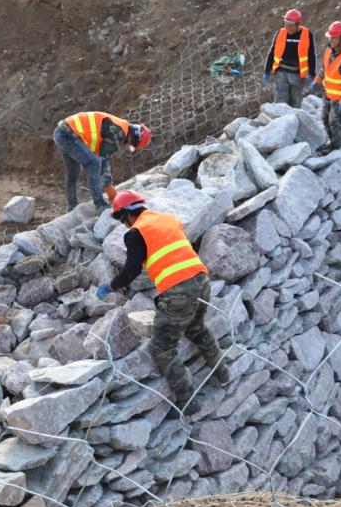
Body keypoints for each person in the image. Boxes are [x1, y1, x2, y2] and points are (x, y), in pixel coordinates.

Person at [97, 191, 231, 417]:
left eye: (121, 219)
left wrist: (111, 286)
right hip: (201, 279)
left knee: (162, 347)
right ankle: (223, 373)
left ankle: (189, 404)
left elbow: (132, 269)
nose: (123, 224)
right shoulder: (167, 219)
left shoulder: (136, 232)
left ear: (128, 214)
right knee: (196, 327)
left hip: (178, 290)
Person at [52, 112, 151, 213]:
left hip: (62, 132)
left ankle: (72, 206)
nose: (128, 144)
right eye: (132, 143)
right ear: (134, 137)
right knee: (94, 163)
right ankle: (100, 205)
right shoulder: (119, 132)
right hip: (69, 135)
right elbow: (103, 159)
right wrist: (108, 187)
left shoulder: (119, 125)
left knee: (73, 173)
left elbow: (102, 155)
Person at [311, 21, 341, 152]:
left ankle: (337, 147)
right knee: (325, 118)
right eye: (330, 37)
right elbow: (325, 68)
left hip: (339, 97)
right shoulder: (329, 50)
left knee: (335, 122)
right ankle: (332, 142)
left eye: (334, 37)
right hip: (328, 93)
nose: (331, 40)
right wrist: (317, 80)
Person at [263, 8, 316, 108]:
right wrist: (267, 71)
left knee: (296, 100)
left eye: (290, 25)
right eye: (285, 24)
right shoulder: (280, 33)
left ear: (297, 24)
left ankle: (293, 120)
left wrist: (312, 74)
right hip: (281, 73)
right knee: (281, 100)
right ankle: (281, 120)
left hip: (297, 74)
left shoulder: (307, 34)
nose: (287, 27)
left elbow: (311, 55)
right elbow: (272, 52)